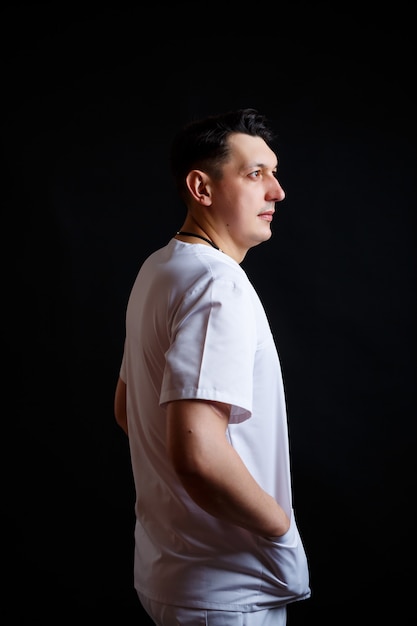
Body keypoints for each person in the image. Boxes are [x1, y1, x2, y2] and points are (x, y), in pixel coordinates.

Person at [114, 108, 311, 625]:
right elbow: (198, 453)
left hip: (171, 576)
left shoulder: (159, 268)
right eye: (255, 174)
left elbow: (125, 409)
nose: (277, 192)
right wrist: (281, 528)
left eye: (273, 173)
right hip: (227, 594)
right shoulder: (216, 286)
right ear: (202, 188)